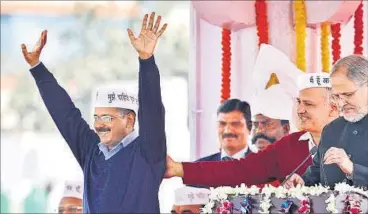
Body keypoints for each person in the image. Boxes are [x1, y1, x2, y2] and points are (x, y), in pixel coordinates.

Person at [21, 12, 168, 212]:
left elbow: (152, 111)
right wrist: (37, 68)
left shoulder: (148, 153)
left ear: (129, 121)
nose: (99, 125)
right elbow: (66, 115)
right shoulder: (92, 152)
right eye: (96, 118)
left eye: (107, 118)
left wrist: (146, 59)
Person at [164, 45, 339, 188]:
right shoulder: (289, 146)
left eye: (308, 104)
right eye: (298, 102)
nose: (299, 110)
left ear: (333, 108)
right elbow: (240, 170)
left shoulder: (356, 141)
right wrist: (179, 169)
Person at [284, 55, 368, 189]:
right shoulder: (332, 129)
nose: (341, 103)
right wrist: (302, 181)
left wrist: (353, 170)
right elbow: (318, 172)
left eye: (347, 95)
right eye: (336, 96)